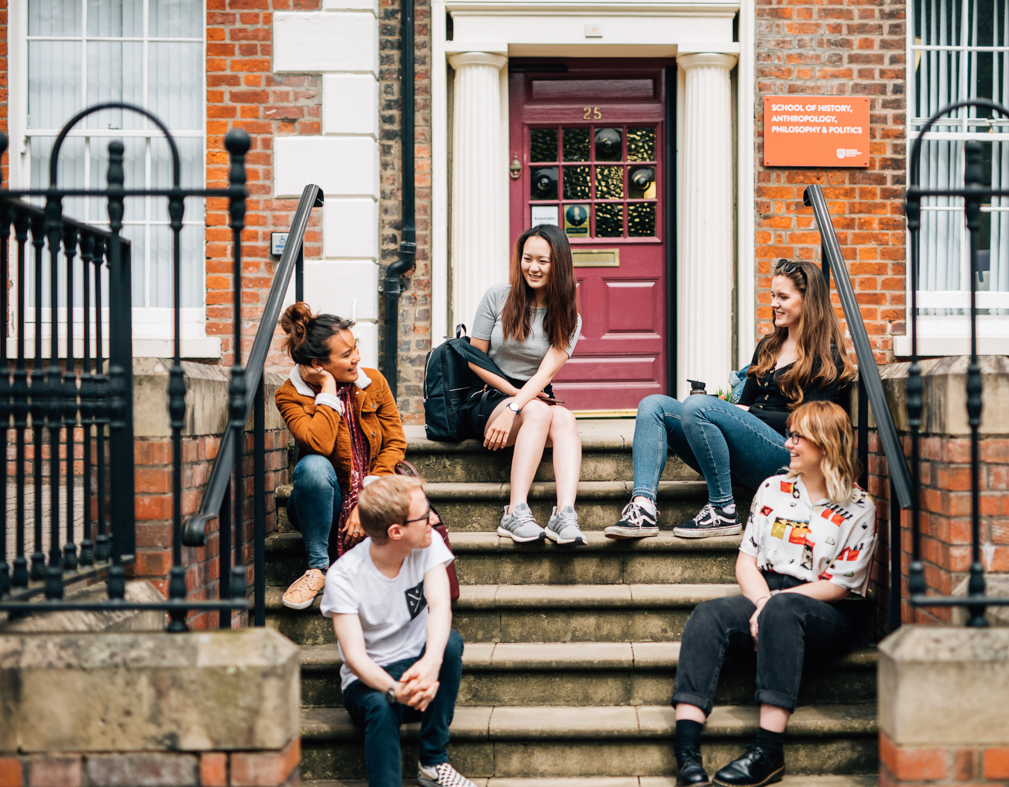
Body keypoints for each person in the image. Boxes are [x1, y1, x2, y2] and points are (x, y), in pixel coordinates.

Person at [670, 401, 876, 787]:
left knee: (785, 607)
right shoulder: (772, 489)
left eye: (799, 437)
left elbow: (839, 584)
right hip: (768, 594)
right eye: (791, 434)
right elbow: (746, 563)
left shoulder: (859, 506)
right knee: (708, 615)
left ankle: (768, 751)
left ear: (826, 445)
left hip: (825, 609)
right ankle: (687, 750)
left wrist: (776, 606)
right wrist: (763, 602)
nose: (789, 444)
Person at [605, 259, 854, 540]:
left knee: (697, 406)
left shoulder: (826, 356)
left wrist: (749, 414)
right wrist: (741, 412)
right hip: (740, 453)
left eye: (783, 297)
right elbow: (743, 405)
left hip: (784, 455)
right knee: (653, 405)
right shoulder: (768, 346)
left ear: (809, 302)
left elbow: (813, 425)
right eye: (773, 295)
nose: (774, 303)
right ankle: (643, 508)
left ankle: (723, 508)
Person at [321, 474, 477, 787]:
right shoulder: (343, 577)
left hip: (421, 678)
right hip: (370, 682)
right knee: (381, 705)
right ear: (396, 532)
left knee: (450, 644)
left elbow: (440, 608)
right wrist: (394, 689)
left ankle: (433, 761)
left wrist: (430, 664)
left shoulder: (427, 545)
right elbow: (354, 656)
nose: (433, 519)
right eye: (424, 515)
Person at [275, 303, 407, 610]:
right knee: (312, 466)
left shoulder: (373, 382)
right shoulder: (290, 395)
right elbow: (318, 443)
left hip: (372, 493)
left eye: (355, 347)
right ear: (319, 364)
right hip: (320, 501)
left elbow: (395, 442)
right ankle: (318, 568)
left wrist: (367, 500)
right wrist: (328, 390)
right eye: (346, 354)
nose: (357, 358)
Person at [463, 224, 584, 546]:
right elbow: (475, 359)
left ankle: (565, 514)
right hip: (489, 392)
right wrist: (515, 401)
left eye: (543, 261)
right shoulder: (497, 297)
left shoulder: (568, 314)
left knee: (565, 419)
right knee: (540, 413)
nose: (533, 267)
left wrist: (521, 402)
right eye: (527, 259)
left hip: (534, 392)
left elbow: (544, 375)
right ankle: (515, 511)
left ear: (559, 264)